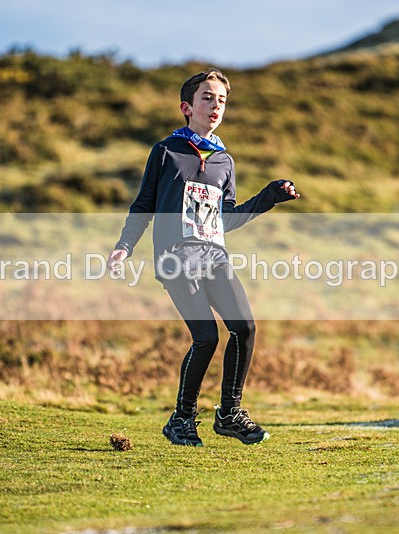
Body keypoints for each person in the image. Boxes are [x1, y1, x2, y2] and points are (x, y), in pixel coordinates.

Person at [106, 68, 300, 447]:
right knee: (206, 337)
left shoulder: (224, 161)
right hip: (175, 259)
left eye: (222, 100)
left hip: (213, 256)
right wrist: (125, 245)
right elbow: (144, 205)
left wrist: (269, 197)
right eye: (207, 98)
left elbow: (226, 219)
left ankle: (229, 413)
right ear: (187, 107)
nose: (215, 106)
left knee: (244, 328)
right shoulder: (165, 152)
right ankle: (181, 419)